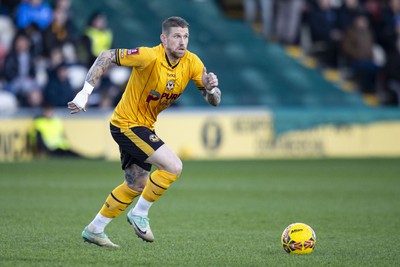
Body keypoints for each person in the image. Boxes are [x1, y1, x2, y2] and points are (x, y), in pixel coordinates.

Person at [67, 16, 221, 248]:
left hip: (143, 127)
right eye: (177, 36)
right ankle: (139, 214)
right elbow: (105, 56)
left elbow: (214, 101)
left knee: (137, 184)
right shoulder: (149, 56)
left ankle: (94, 229)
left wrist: (211, 89)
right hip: (126, 124)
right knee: (173, 166)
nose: (182, 42)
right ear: (164, 38)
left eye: (186, 37)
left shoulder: (193, 63)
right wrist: (85, 92)